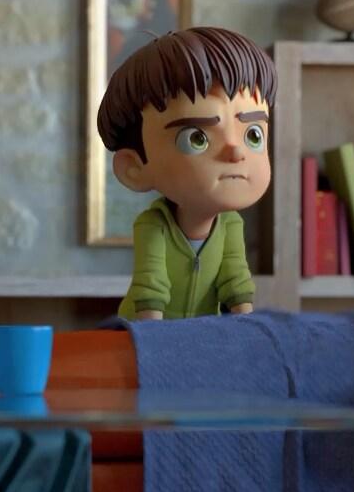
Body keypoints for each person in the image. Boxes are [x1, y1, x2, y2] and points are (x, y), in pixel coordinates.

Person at [96, 26, 275, 321]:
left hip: (203, 334)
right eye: (197, 138)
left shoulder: (230, 224)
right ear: (134, 167)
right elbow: (150, 288)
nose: (236, 153)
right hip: (145, 333)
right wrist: (153, 341)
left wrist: (248, 330)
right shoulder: (154, 226)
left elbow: (236, 282)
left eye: (253, 135)